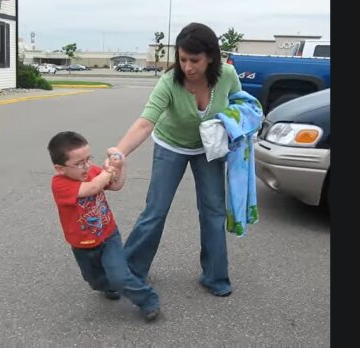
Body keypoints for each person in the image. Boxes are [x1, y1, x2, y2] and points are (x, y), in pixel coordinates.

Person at [106, 23, 244, 297]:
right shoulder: (170, 81)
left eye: (195, 60)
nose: (187, 67)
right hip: (172, 144)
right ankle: (127, 275)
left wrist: (241, 125)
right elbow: (145, 123)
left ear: (211, 58)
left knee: (214, 211)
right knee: (155, 211)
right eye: (182, 59)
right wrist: (119, 153)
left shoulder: (227, 75)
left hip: (209, 148)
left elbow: (241, 103)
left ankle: (215, 276)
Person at [48, 131, 161, 321]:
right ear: (60, 168)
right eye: (79, 163)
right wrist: (108, 172)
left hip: (108, 235)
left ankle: (147, 299)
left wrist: (120, 165)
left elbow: (116, 185)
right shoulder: (60, 184)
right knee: (94, 281)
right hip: (81, 244)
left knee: (119, 276)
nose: (86, 166)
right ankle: (108, 286)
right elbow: (92, 188)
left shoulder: (92, 171)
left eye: (88, 159)